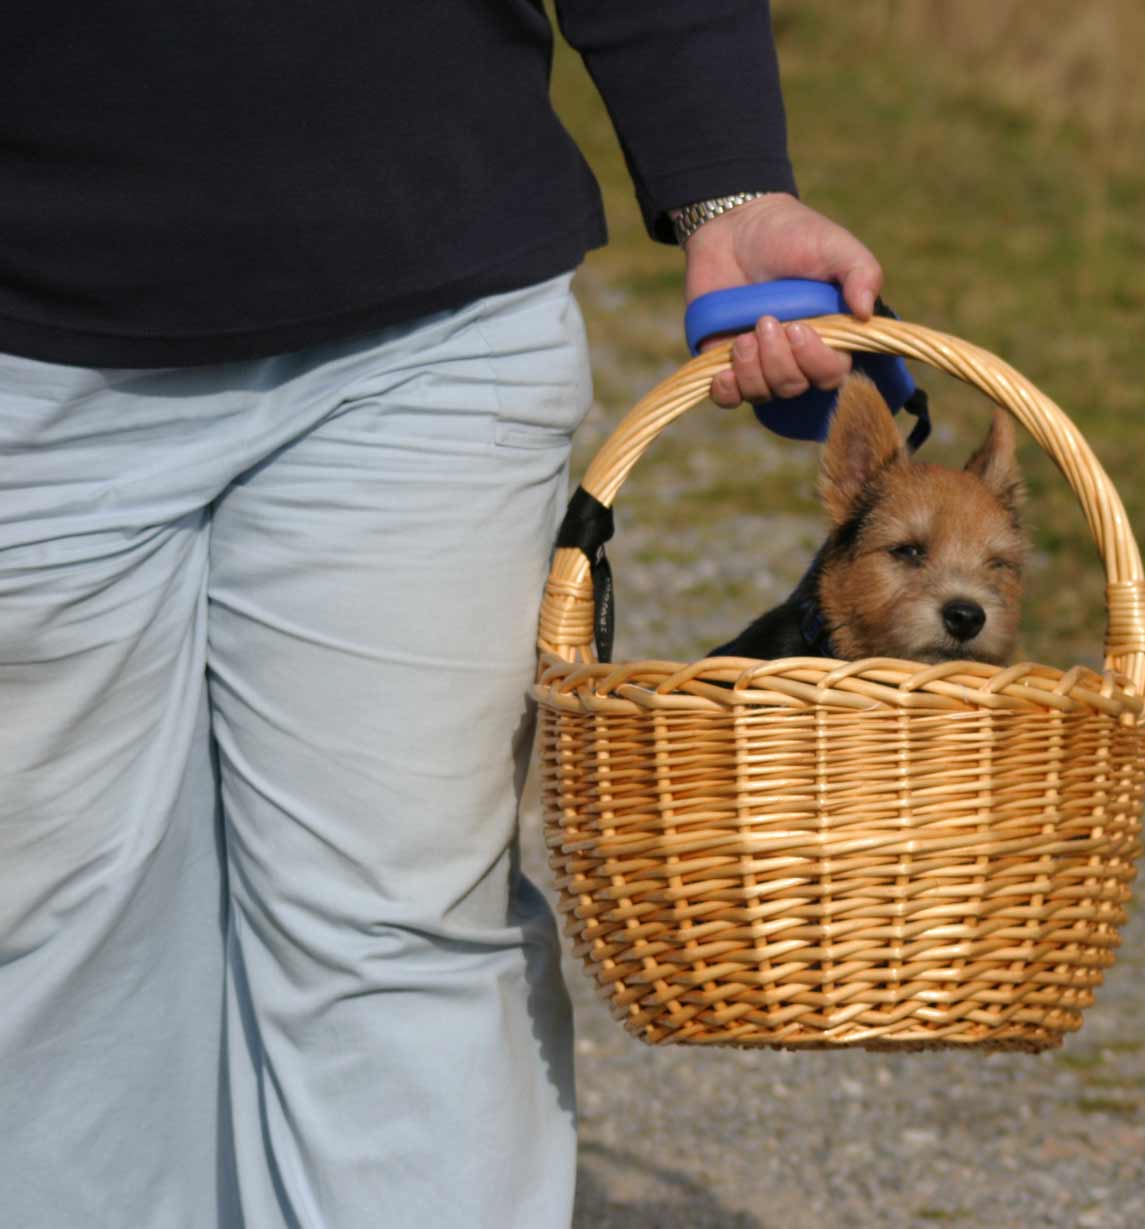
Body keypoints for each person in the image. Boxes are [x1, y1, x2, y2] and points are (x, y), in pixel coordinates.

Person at [0, 5, 878, 1226]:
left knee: (398, 920)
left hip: (427, 318)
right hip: (26, 346)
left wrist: (723, 179)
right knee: (47, 932)